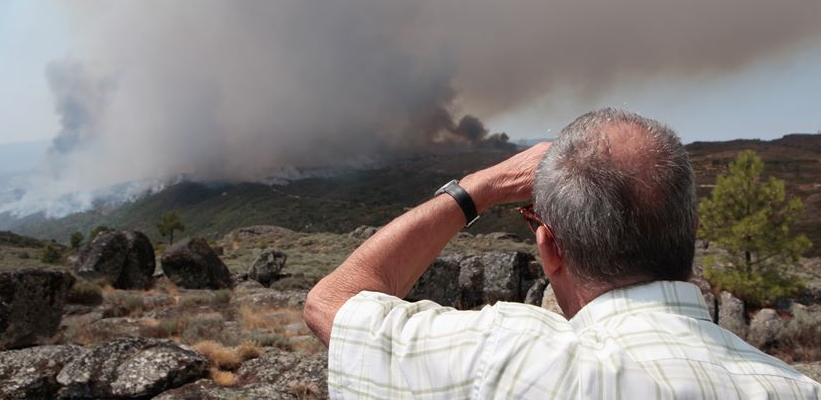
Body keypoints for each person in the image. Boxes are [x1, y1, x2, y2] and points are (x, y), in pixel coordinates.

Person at [304, 108, 820, 399]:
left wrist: (481, 188)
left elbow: (331, 302)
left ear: (549, 246)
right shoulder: (795, 389)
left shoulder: (509, 359)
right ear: (691, 228)